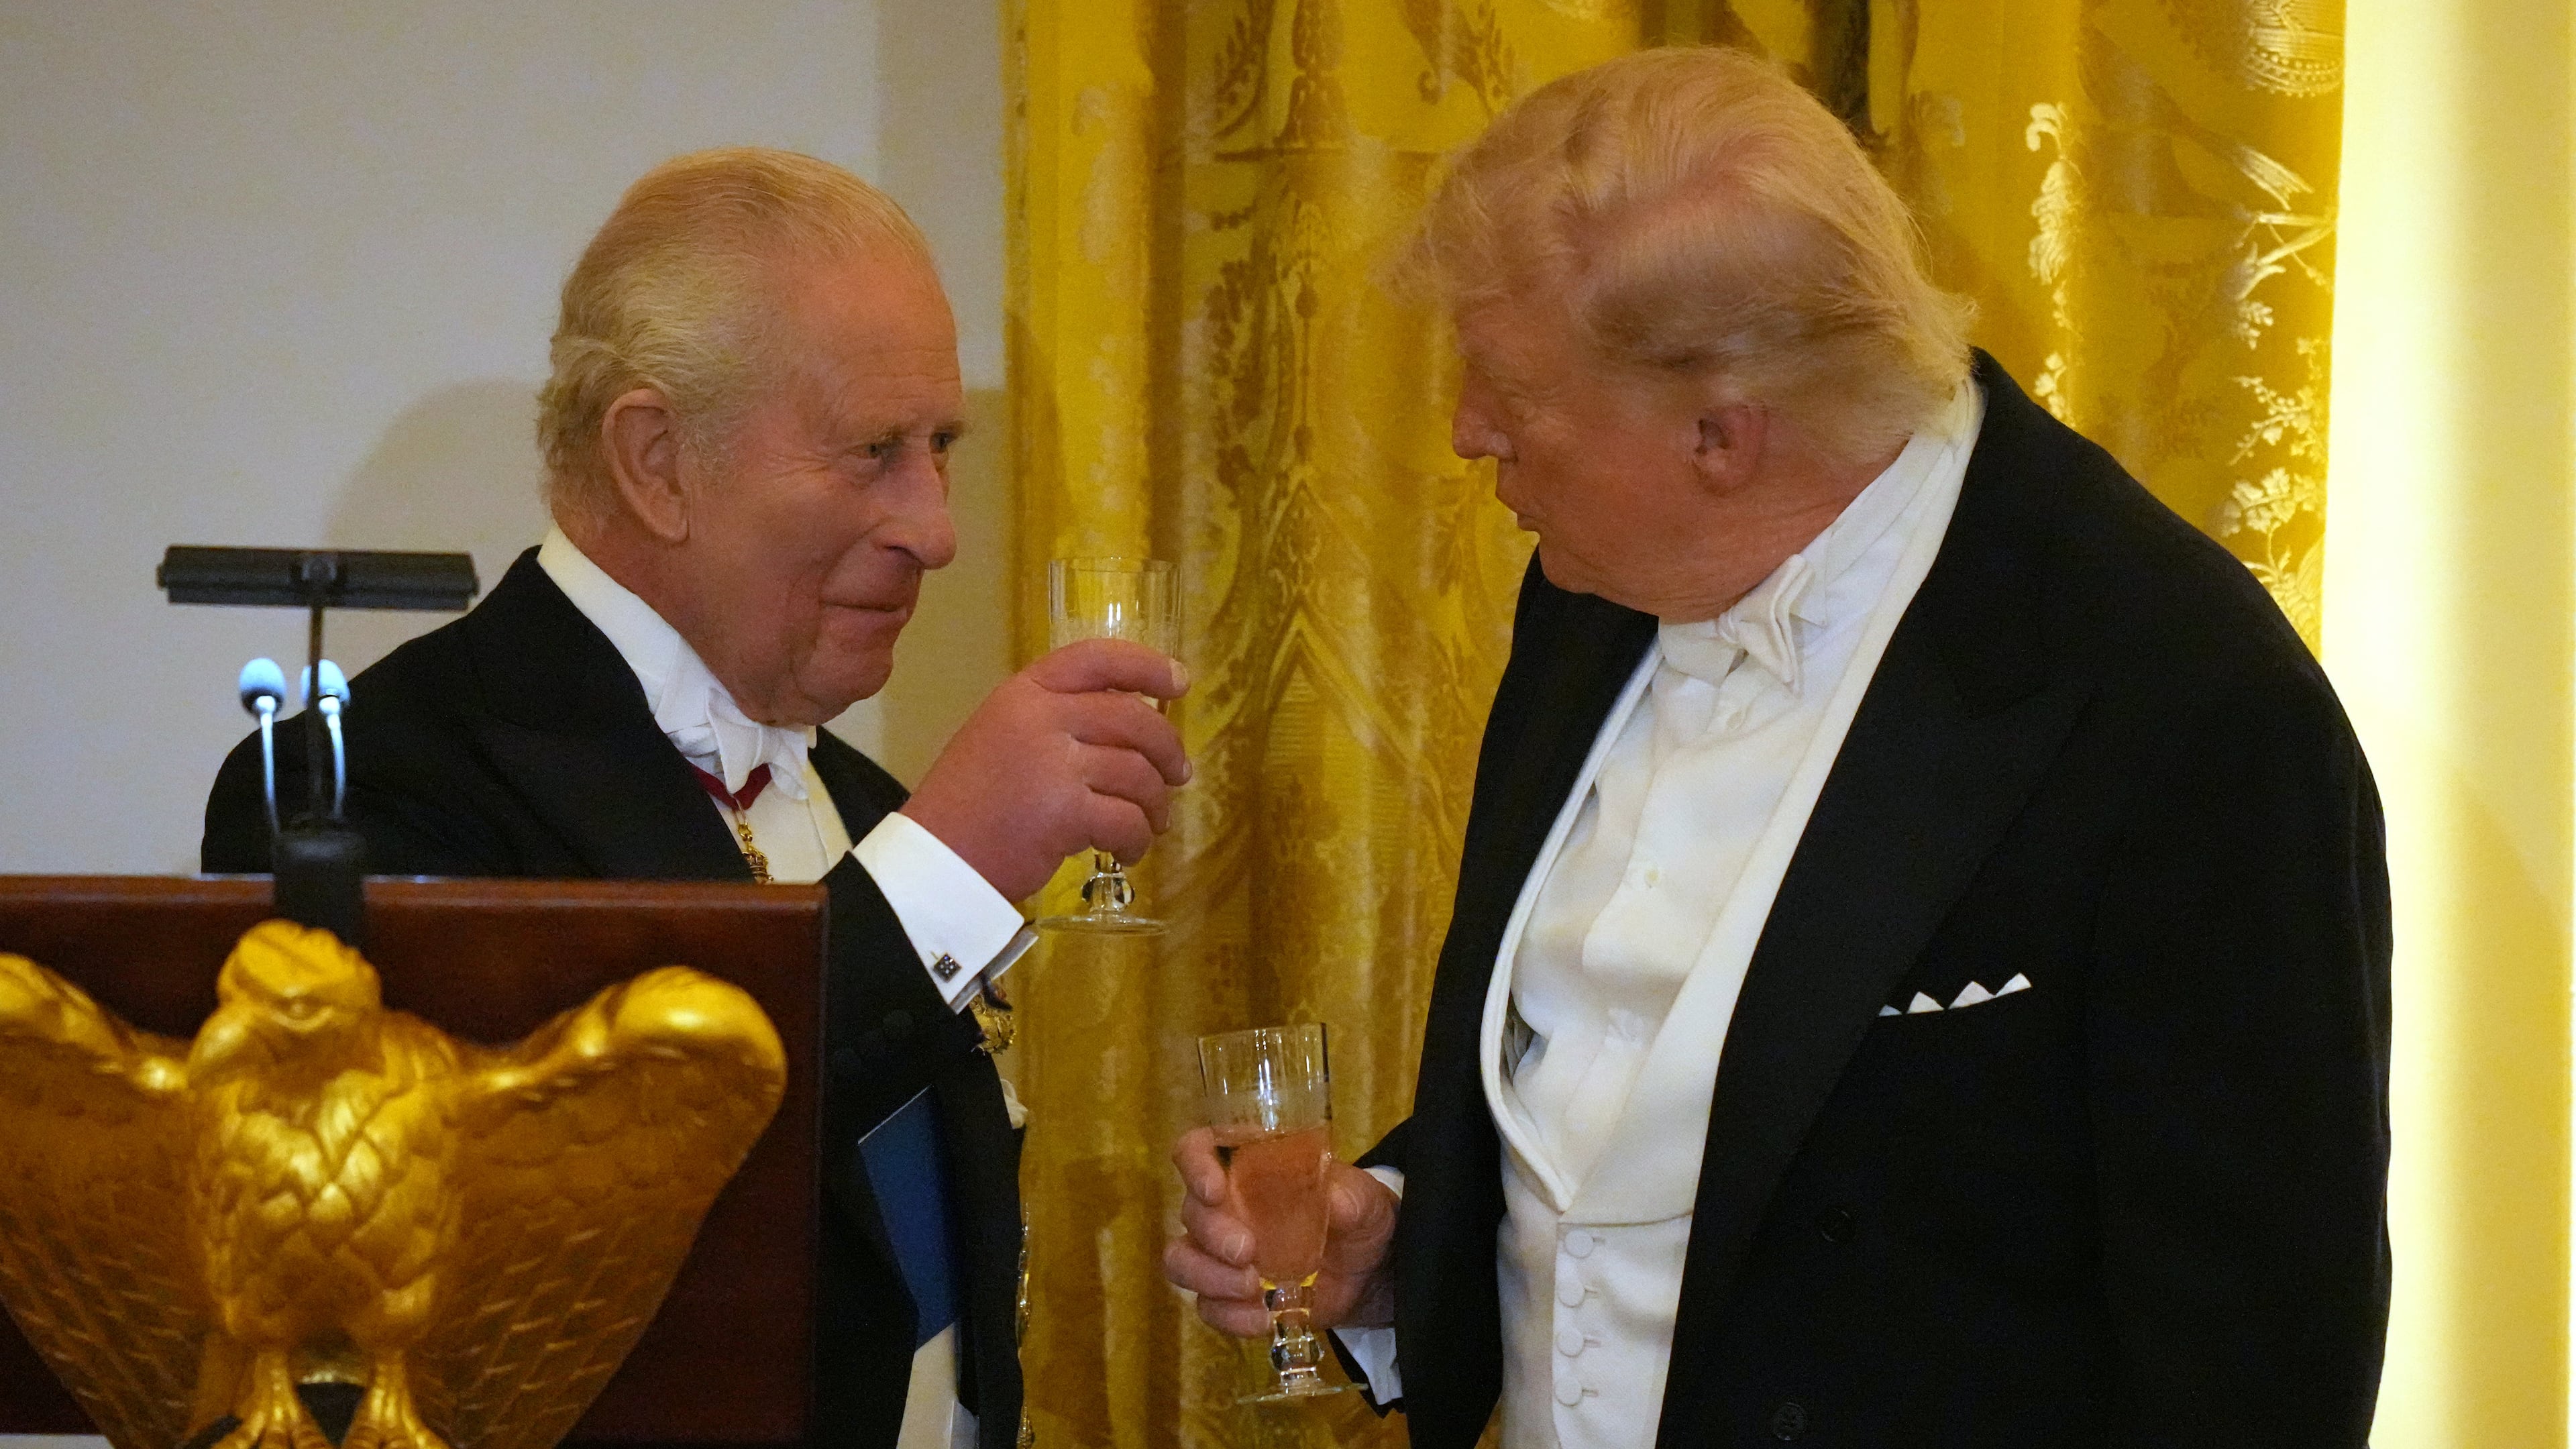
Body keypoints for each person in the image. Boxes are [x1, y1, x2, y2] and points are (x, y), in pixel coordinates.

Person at [1164, 46, 2389, 1448]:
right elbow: (1633, 1109)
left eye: (1508, 386)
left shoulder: (2184, 707)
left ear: (1720, 434)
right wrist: (1399, 1249)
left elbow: (2256, 1369)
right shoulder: (1592, 591)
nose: (1465, 431)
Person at [205, 148, 1191, 1449]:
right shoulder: (372, 785)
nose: (936, 528)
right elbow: (509, 1254)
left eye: (940, 447)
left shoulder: (859, 796)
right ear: (658, 461)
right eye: (876, 451)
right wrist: (944, 872)